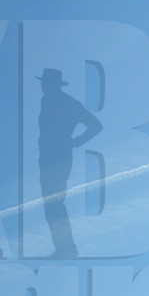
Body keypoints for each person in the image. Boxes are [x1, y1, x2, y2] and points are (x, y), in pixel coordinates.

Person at [35, 68, 102, 259]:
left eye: (45, 83)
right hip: (48, 157)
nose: (42, 86)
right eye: (42, 82)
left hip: (58, 158)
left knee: (54, 202)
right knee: (51, 204)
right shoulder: (47, 100)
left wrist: (75, 142)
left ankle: (66, 248)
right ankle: (63, 248)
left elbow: (96, 125)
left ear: (54, 84)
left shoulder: (67, 103)